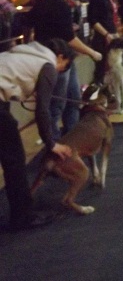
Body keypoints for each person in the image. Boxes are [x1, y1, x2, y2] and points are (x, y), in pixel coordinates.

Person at [0, 38, 74, 231]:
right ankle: (22, 217)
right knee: (14, 159)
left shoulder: (26, 52)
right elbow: (42, 111)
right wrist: (51, 143)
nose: (60, 72)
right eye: (64, 67)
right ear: (60, 57)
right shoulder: (47, 65)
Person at [29, 0, 102, 139]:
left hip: (60, 57)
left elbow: (30, 23)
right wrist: (92, 53)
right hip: (57, 59)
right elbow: (69, 38)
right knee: (58, 104)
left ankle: (72, 137)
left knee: (73, 99)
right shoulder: (58, 3)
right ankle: (54, 142)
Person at [88, 0, 121, 84]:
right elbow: (93, 20)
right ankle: (98, 91)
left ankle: (109, 91)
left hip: (112, 35)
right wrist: (106, 34)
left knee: (113, 68)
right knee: (101, 69)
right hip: (102, 38)